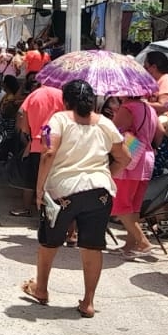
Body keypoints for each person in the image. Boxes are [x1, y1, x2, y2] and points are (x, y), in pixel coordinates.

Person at [19, 80, 129, 318]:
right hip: (99, 191)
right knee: (92, 246)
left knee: (49, 241)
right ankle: (88, 302)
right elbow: (125, 158)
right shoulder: (106, 124)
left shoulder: (58, 120)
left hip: (63, 191)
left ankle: (42, 289)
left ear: (65, 100)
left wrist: (39, 190)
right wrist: (105, 175)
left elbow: (48, 153)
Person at [110, 94, 157, 257]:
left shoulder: (127, 108)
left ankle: (143, 242)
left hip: (130, 160)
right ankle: (130, 245)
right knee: (133, 207)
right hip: (146, 158)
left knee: (120, 205)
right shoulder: (150, 108)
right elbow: (160, 133)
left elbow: (113, 133)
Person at [11, 79, 66, 217]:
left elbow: (22, 115)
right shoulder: (62, 96)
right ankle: (50, 211)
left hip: (35, 143)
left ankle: (27, 208)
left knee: (31, 179)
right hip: (57, 145)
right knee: (52, 180)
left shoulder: (34, 95)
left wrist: (27, 132)